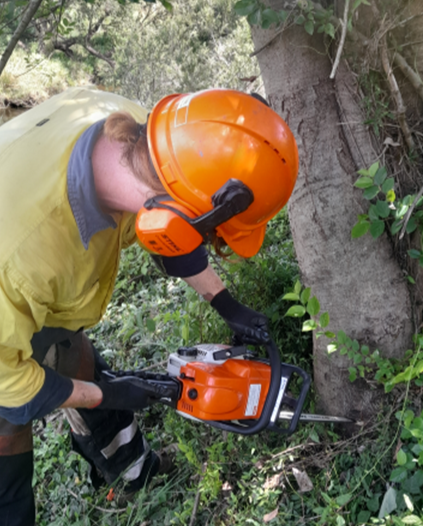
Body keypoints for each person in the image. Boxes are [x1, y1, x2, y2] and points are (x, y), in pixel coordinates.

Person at [0, 87, 298, 526]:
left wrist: (225, 302)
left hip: (34, 280)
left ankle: (133, 471)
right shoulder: (22, 256)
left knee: (75, 359)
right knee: (8, 436)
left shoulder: (149, 137)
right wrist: (107, 394)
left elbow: (171, 225)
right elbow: (9, 383)